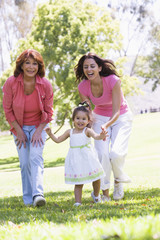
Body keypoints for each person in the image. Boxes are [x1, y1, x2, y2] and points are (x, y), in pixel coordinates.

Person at [74, 52, 133, 201]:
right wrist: (83, 124)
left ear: (99, 68)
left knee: (116, 153)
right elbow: (88, 111)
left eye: (92, 66)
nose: (89, 69)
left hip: (121, 117)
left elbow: (117, 111)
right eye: (85, 67)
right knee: (102, 154)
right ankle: (104, 191)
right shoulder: (83, 86)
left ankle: (118, 180)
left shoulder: (113, 81)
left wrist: (106, 125)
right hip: (99, 117)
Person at [3, 49, 53, 207]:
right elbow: (8, 110)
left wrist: (39, 131)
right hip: (19, 127)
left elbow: (49, 112)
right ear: (21, 65)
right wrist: (18, 131)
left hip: (39, 125)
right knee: (24, 163)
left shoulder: (45, 84)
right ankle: (28, 200)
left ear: (39, 66)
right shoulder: (11, 82)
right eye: (27, 63)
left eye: (35, 64)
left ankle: (38, 194)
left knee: (35, 158)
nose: (31, 67)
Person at [45, 103, 108, 206]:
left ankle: (96, 196)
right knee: (79, 182)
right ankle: (78, 202)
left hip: (88, 159)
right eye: (77, 118)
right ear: (73, 119)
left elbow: (96, 136)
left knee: (96, 178)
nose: (80, 121)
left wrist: (101, 136)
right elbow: (58, 140)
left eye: (84, 119)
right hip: (76, 160)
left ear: (88, 121)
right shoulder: (70, 132)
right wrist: (50, 134)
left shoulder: (87, 131)